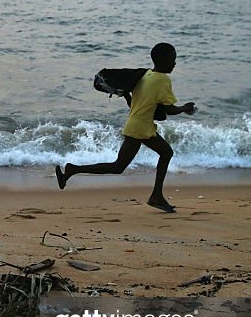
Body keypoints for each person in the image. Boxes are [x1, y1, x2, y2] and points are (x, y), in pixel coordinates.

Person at [55, 42, 197, 213]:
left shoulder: (145, 75)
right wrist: (185, 108)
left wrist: (126, 96)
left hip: (137, 125)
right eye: (173, 59)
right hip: (140, 129)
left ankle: (73, 170)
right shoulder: (163, 80)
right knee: (157, 156)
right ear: (164, 60)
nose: (175, 63)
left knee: (122, 165)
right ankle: (156, 196)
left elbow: (133, 103)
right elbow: (169, 109)